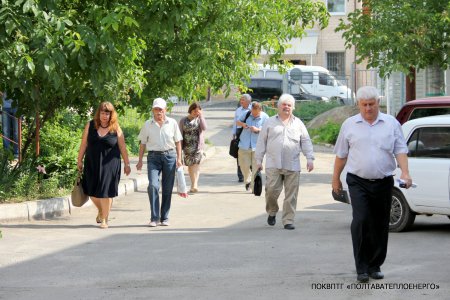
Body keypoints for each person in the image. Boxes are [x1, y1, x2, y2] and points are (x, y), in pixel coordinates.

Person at [332, 86, 412, 283]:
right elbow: (341, 155)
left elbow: (400, 149)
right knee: (360, 220)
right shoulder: (349, 125)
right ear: (359, 105)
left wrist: (405, 172)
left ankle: (375, 265)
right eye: (364, 105)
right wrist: (335, 179)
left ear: (378, 103)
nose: (368, 108)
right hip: (357, 181)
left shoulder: (391, 123)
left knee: (379, 223)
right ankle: (362, 267)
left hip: (384, 181)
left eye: (371, 104)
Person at [255, 94, 314, 230]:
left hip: (292, 164)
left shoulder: (298, 123)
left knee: (291, 194)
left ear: (293, 107)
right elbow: (261, 142)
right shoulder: (269, 122)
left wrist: (309, 158)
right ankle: (272, 211)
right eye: (284, 104)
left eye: (289, 105)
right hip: (273, 163)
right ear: (278, 106)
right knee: (271, 191)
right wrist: (258, 160)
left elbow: (305, 141)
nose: (286, 107)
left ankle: (288, 220)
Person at [77, 101, 131, 229]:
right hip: (92, 163)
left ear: (111, 115)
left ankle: (105, 220)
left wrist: (127, 164)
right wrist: (79, 160)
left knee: (106, 192)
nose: (104, 116)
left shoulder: (116, 128)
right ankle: (102, 211)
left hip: (110, 165)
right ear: (98, 113)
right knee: (90, 191)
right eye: (102, 113)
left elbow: (122, 147)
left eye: (107, 113)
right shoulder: (90, 125)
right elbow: (84, 143)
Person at [136, 98, 183, 227]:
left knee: (167, 188)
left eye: (161, 110)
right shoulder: (147, 124)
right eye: (156, 109)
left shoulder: (172, 123)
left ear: (165, 110)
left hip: (169, 156)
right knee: (153, 186)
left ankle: (165, 217)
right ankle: (154, 217)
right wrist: (140, 160)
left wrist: (179, 158)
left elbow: (178, 141)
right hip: (153, 157)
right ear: (153, 110)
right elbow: (143, 143)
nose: (158, 112)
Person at [236, 101, 269, 192]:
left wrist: (258, 129)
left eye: (256, 113)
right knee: (243, 166)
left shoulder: (265, 117)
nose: (254, 115)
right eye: (252, 112)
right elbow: (237, 122)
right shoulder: (246, 114)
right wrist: (243, 124)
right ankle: (247, 181)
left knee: (256, 167)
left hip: (258, 147)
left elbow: (268, 130)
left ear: (260, 110)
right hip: (244, 144)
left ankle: (254, 187)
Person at [179, 102, 207, 193]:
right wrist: (179, 147)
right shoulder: (183, 120)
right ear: (190, 111)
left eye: (198, 111)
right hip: (187, 147)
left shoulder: (199, 119)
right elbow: (179, 134)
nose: (196, 113)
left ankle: (195, 184)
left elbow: (204, 128)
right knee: (190, 165)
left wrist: (201, 116)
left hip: (198, 146)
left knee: (196, 164)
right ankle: (193, 184)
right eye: (194, 111)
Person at [232, 94, 252, 182]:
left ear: (248, 101)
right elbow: (235, 122)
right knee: (239, 154)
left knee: (251, 153)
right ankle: (241, 176)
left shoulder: (253, 109)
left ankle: (251, 173)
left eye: (243, 100)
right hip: (239, 132)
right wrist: (234, 133)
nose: (241, 101)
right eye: (241, 100)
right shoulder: (238, 110)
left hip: (250, 133)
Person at [1, 91, 19, 158]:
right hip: (5, 106)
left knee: (17, 131)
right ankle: (6, 154)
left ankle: (17, 153)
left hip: (17, 106)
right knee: (5, 131)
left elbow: (24, 87)